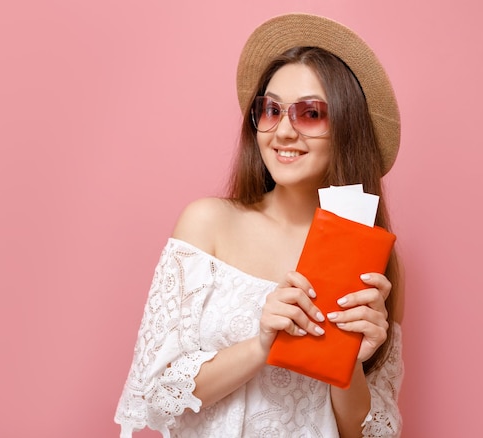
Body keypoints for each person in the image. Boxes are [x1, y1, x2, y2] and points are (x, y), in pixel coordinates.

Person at [115, 13, 404, 438]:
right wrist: (261, 345)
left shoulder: (372, 263)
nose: (283, 131)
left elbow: (368, 433)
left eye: (310, 113)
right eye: (270, 110)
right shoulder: (207, 222)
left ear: (347, 126)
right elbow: (157, 395)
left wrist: (350, 363)